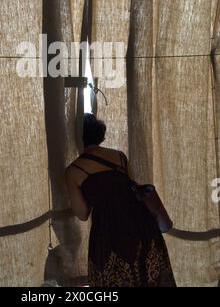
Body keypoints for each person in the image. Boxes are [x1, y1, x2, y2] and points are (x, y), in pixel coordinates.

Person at [64, 113, 176, 287]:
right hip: (142, 227)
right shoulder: (119, 156)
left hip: (108, 235)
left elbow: (82, 214)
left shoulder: (73, 170)